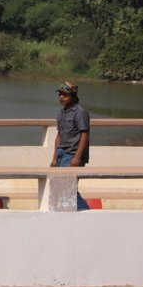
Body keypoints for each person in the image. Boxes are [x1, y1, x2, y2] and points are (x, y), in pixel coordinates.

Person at [50, 80, 91, 211]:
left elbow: (84, 135)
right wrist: (54, 158)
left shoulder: (80, 112)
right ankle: (64, 211)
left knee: (68, 186)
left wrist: (77, 157)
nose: (61, 97)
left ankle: (84, 209)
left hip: (72, 154)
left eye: (65, 95)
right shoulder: (62, 113)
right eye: (60, 94)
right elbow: (59, 136)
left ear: (73, 96)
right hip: (61, 154)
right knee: (58, 185)